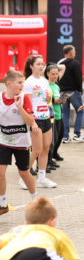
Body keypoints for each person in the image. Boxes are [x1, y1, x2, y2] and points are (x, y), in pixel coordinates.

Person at [0, 70, 38, 211]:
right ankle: (2, 204)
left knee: (23, 172)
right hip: (3, 140)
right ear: (8, 84)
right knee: (0, 172)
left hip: (21, 141)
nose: (22, 85)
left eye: (23, 82)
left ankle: (35, 199)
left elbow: (30, 121)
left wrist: (19, 107)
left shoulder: (24, 98)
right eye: (19, 82)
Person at [22, 56, 56, 189]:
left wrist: (48, 99)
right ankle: (23, 175)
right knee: (36, 150)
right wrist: (32, 122)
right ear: (31, 66)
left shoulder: (45, 81)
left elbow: (47, 101)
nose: (41, 66)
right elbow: (28, 103)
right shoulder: (28, 82)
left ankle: (42, 178)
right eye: (38, 64)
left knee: (46, 148)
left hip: (46, 116)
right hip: (35, 118)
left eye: (42, 64)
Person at [57, 45, 84, 144]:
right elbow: (78, 79)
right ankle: (77, 134)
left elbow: (57, 78)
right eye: (74, 52)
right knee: (80, 111)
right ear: (70, 53)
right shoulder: (75, 64)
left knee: (65, 114)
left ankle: (65, 136)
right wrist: (80, 89)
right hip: (73, 92)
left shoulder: (59, 63)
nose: (75, 53)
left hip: (63, 92)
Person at [46, 65, 64, 171]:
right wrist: (54, 100)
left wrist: (63, 98)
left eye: (56, 74)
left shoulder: (56, 86)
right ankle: (47, 161)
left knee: (58, 137)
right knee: (51, 140)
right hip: (50, 116)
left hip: (58, 115)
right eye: (53, 74)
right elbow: (48, 98)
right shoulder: (46, 85)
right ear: (47, 74)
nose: (55, 76)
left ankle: (51, 158)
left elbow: (60, 96)